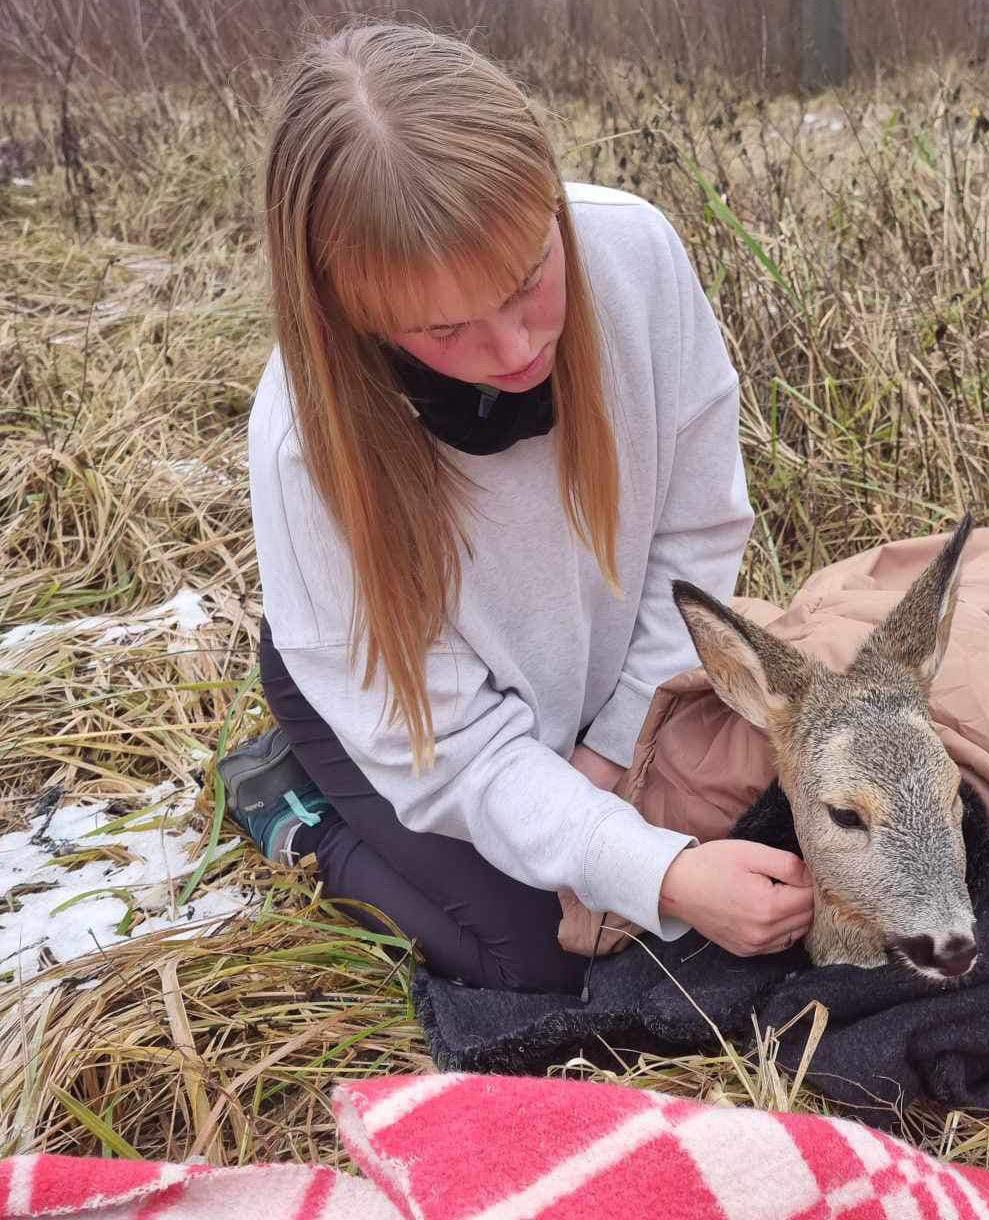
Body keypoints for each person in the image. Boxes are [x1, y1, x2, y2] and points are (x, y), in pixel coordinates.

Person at [220, 21, 814, 994]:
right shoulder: (304, 444)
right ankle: (293, 803)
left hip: (583, 650)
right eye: (445, 326)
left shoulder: (637, 255)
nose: (512, 348)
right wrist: (655, 866)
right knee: (530, 952)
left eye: (530, 276)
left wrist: (616, 749)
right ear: (348, 311)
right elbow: (447, 748)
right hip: (390, 697)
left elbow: (698, 535)